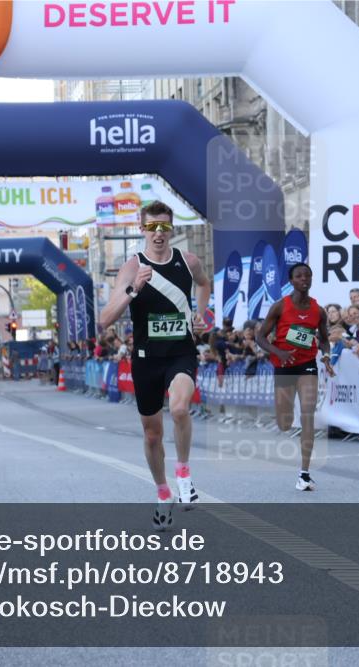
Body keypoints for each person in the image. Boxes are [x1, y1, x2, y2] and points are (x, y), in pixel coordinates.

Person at [97, 201, 210, 530]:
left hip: (181, 353)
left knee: (178, 409)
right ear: (142, 228)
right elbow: (105, 320)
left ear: (171, 228)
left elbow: (203, 284)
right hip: (146, 360)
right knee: (151, 435)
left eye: (164, 227)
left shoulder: (188, 262)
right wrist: (134, 289)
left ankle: (184, 476)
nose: (158, 234)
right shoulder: (132, 267)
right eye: (152, 227)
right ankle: (163, 493)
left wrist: (199, 315)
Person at [256, 262, 335, 492]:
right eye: (299, 276)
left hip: (307, 365)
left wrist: (327, 356)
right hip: (283, 365)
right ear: (291, 281)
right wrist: (279, 351)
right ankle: (284, 417)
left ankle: (304, 473)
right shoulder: (280, 307)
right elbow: (260, 337)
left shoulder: (318, 311)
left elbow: (324, 339)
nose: (304, 279)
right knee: (285, 422)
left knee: (308, 413)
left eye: (308, 275)